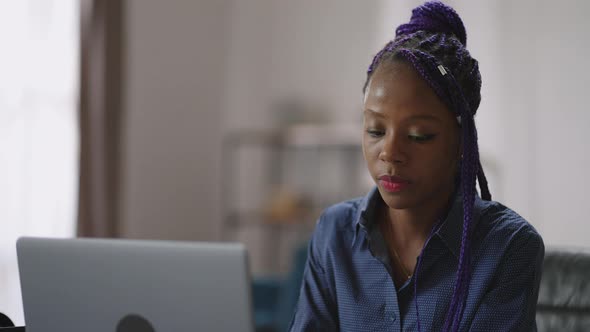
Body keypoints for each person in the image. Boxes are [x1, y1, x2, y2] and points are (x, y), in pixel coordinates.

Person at [289, 2, 544, 331]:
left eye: (419, 135)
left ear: (462, 143)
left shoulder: (507, 247)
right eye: (375, 131)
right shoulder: (334, 232)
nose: (390, 152)